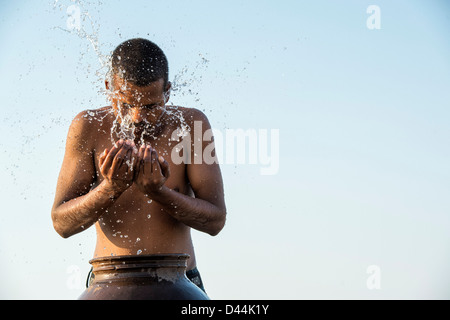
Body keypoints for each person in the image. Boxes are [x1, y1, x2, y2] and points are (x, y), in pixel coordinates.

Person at [51, 38, 227, 294]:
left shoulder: (192, 125)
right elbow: (61, 224)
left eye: (151, 106)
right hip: (108, 283)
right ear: (109, 88)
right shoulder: (87, 126)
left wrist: (159, 193)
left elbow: (216, 221)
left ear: (167, 91)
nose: (137, 118)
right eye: (126, 105)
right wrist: (110, 188)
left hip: (179, 282)